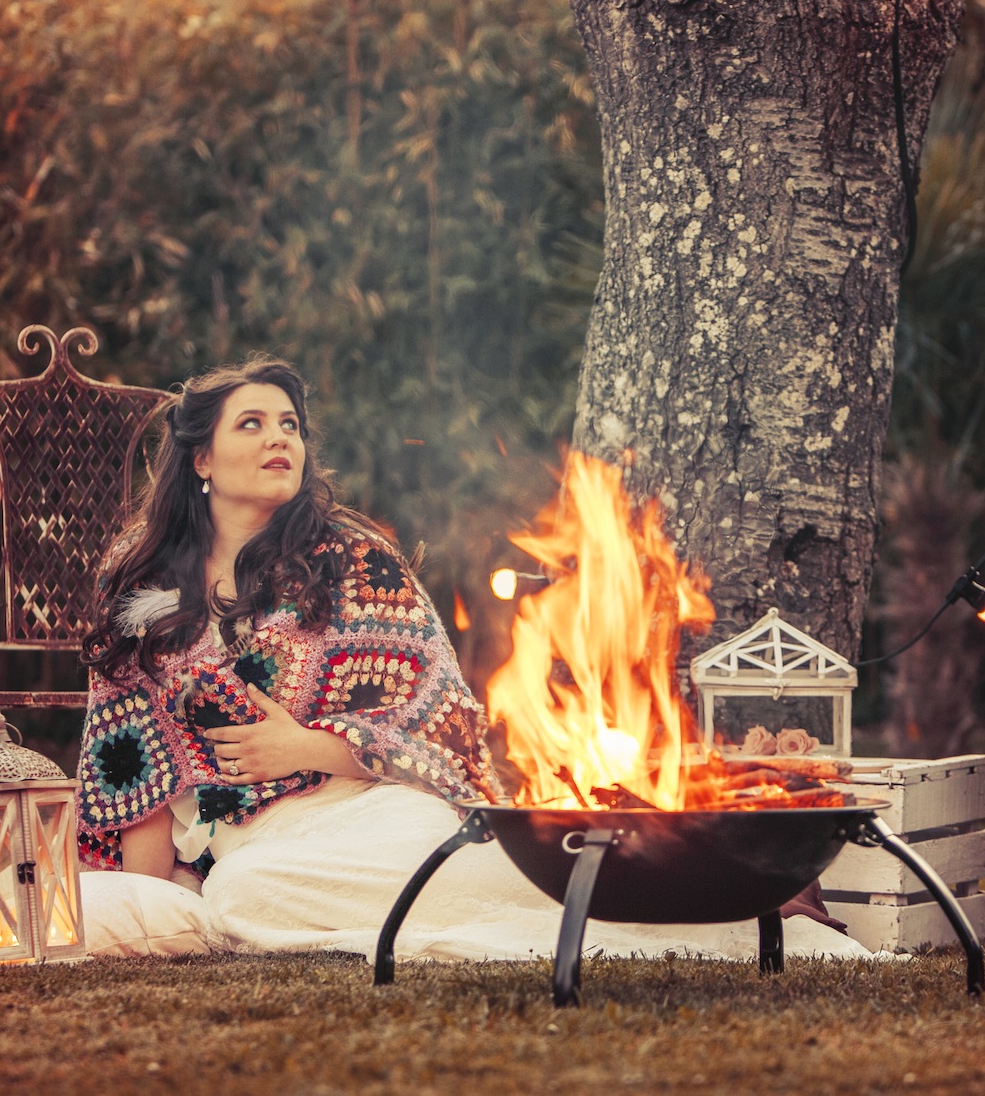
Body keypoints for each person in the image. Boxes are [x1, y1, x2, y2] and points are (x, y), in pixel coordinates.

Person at [74, 357, 880, 965]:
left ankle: (733, 925)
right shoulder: (138, 588)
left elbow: (444, 720)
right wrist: (150, 892)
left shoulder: (355, 565)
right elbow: (128, 764)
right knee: (246, 889)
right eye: (250, 424)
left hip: (376, 805)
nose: (278, 437)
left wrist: (308, 748)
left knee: (322, 886)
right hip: (258, 853)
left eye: (289, 423)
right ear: (200, 460)